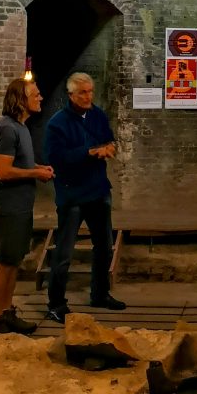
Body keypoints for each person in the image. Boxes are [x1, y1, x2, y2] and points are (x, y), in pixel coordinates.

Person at [43, 72, 126, 323]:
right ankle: (56, 303)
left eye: (90, 91)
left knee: (104, 247)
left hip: (99, 191)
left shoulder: (98, 115)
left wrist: (110, 148)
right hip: (72, 195)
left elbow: (108, 139)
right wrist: (89, 152)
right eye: (83, 92)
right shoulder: (57, 124)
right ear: (71, 95)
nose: (88, 96)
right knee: (64, 252)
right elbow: (56, 159)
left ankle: (100, 294)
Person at [0, 78, 54, 334]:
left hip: (20, 206)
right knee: (4, 263)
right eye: (35, 94)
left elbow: (19, 163)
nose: (40, 98)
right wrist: (36, 175)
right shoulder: (6, 129)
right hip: (7, 207)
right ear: (20, 100)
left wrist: (38, 167)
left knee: (13, 261)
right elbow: (4, 172)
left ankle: (6, 312)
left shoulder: (21, 127)